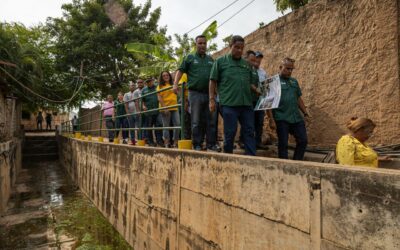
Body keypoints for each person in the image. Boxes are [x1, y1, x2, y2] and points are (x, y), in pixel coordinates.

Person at [209, 35, 259, 155]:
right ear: (230, 46)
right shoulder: (220, 62)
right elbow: (212, 80)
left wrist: (258, 90)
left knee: (249, 131)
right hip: (229, 104)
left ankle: (251, 158)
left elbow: (251, 83)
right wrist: (211, 99)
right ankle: (228, 156)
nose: (239, 50)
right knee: (230, 132)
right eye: (236, 47)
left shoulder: (246, 64)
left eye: (242, 48)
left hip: (246, 104)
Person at [174, 35, 220, 151]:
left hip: (209, 94)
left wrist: (215, 94)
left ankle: (211, 144)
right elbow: (180, 71)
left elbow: (215, 77)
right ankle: (197, 144)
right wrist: (175, 84)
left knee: (211, 120)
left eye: (204, 43)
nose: (202, 45)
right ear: (196, 44)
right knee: (196, 121)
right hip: (194, 94)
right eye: (200, 43)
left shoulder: (210, 59)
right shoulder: (189, 58)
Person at [267, 58, 308, 160]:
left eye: (291, 69)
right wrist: (271, 120)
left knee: (303, 140)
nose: (290, 71)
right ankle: (284, 165)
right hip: (281, 117)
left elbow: (298, 98)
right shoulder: (272, 82)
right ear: (280, 67)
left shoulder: (294, 82)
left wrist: (305, 112)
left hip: (296, 117)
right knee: (283, 144)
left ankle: (296, 163)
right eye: (287, 68)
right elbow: (267, 103)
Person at [157, 71, 180, 148]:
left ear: (169, 76)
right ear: (162, 78)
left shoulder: (173, 84)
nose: (166, 76)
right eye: (164, 76)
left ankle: (175, 142)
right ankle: (166, 142)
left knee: (177, 124)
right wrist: (164, 107)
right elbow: (159, 98)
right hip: (165, 107)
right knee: (166, 125)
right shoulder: (160, 86)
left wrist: (176, 91)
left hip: (174, 107)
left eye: (167, 75)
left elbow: (177, 93)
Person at [142, 78, 164, 147]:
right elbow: (142, 100)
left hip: (157, 110)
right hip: (149, 112)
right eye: (147, 82)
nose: (149, 83)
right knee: (149, 127)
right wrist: (143, 106)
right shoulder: (144, 90)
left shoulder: (157, 87)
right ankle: (150, 141)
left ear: (152, 81)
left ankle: (159, 141)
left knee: (158, 125)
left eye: (150, 81)